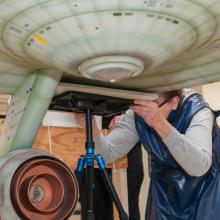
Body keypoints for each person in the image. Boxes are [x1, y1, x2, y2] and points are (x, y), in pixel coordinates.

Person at [76, 88, 220, 220]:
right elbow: (108, 153)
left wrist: (159, 123)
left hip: (204, 191)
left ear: (174, 102)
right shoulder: (137, 113)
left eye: (152, 105)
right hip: (165, 192)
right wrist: (93, 129)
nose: (144, 111)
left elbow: (198, 167)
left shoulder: (198, 111)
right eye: (141, 104)